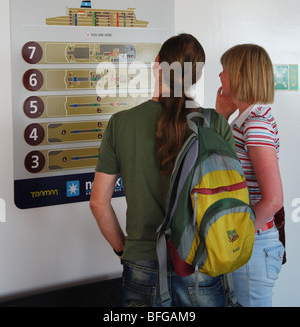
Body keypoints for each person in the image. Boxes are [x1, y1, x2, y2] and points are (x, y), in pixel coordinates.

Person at [90, 33, 236, 307]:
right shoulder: (215, 122)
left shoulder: (121, 123)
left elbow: (98, 203)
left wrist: (124, 249)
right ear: (198, 75)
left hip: (142, 261)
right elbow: (229, 194)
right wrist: (219, 121)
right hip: (200, 261)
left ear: (157, 64)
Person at [216, 43, 285, 307]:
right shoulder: (245, 119)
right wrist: (222, 114)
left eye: (224, 70)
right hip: (249, 244)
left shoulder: (255, 123)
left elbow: (273, 200)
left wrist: (235, 236)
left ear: (240, 75)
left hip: (252, 246)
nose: (220, 76)